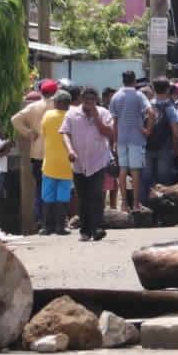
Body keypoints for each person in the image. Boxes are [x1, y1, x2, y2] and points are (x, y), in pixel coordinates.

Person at [61, 87, 115, 242]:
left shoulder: (104, 113)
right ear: (81, 99)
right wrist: (70, 150)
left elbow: (109, 133)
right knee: (83, 197)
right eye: (86, 100)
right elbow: (65, 133)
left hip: (98, 160)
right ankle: (85, 230)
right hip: (78, 163)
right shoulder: (72, 114)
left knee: (97, 194)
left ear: (96, 100)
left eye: (92, 100)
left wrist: (96, 116)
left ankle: (98, 227)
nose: (89, 103)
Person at [12, 79, 60, 228]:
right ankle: (56, 220)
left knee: (40, 187)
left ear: (41, 92)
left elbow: (15, 119)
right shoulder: (59, 105)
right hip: (56, 152)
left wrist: (28, 133)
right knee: (58, 186)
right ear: (55, 92)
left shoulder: (33, 107)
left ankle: (40, 220)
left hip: (37, 152)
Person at [109, 71, 153, 213]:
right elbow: (151, 112)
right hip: (136, 138)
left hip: (121, 138)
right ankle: (135, 203)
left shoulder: (116, 96)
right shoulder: (139, 95)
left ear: (123, 80)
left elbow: (114, 122)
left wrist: (115, 141)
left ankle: (124, 205)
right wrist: (148, 130)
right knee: (135, 171)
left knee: (122, 170)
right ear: (134, 81)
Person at [38, 91, 73, 236]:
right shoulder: (71, 117)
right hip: (67, 163)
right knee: (63, 196)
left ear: (56, 103)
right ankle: (60, 227)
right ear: (68, 104)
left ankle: (47, 227)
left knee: (48, 196)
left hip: (49, 163)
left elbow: (44, 133)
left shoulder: (47, 115)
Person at [143, 77, 178, 204]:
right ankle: (163, 209)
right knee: (163, 183)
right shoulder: (170, 108)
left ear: (153, 89)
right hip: (164, 149)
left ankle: (145, 208)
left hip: (146, 147)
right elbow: (176, 132)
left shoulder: (146, 106)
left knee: (146, 181)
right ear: (168, 89)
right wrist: (176, 148)